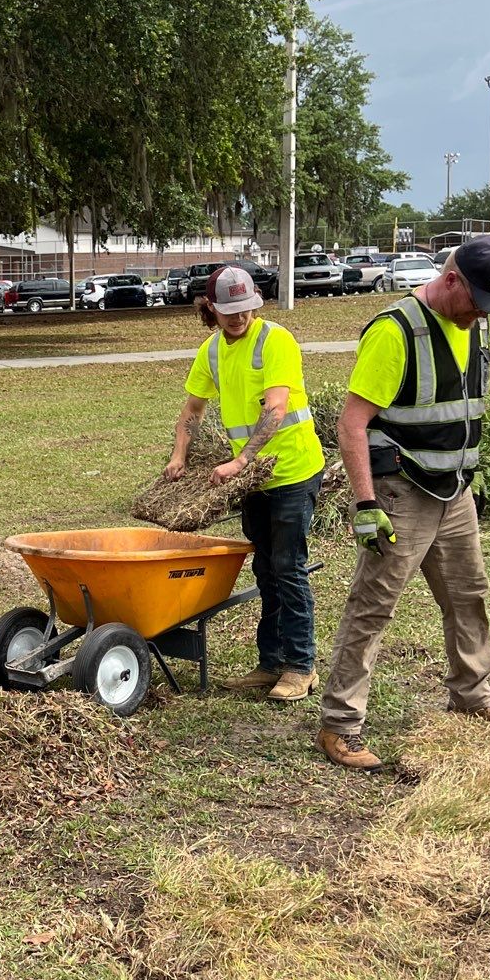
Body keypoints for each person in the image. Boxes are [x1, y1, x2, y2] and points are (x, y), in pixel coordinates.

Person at [316, 236, 490, 771]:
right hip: (401, 494)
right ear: (452, 278)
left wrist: (466, 476)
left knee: (468, 595)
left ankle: (473, 694)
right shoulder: (396, 331)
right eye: (478, 299)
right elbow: (352, 424)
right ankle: (340, 725)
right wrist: (366, 503)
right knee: (373, 606)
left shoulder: (470, 323)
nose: (482, 312)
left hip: (454, 492)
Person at [163, 266, 326, 700]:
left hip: (292, 469)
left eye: (246, 309)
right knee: (266, 568)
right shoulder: (211, 351)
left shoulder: (276, 341)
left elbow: (275, 409)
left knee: (288, 567)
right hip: (253, 480)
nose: (238, 318)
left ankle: (300, 665)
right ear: (211, 308)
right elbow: (193, 410)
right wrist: (179, 454)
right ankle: (270, 663)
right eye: (229, 311)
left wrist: (240, 461)